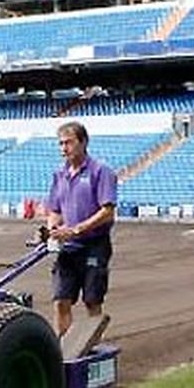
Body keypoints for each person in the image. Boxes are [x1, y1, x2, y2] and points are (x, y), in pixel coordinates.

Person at [45, 121, 118, 337]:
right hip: (68, 246)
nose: (64, 149)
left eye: (68, 143)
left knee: (92, 301)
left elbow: (107, 211)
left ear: (83, 142)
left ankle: (90, 348)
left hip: (94, 244)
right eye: (61, 144)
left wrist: (76, 229)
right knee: (61, 299)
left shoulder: (100, 172)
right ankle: (65, 350)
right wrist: (53, 228)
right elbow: (55, 209)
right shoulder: (59, 175)